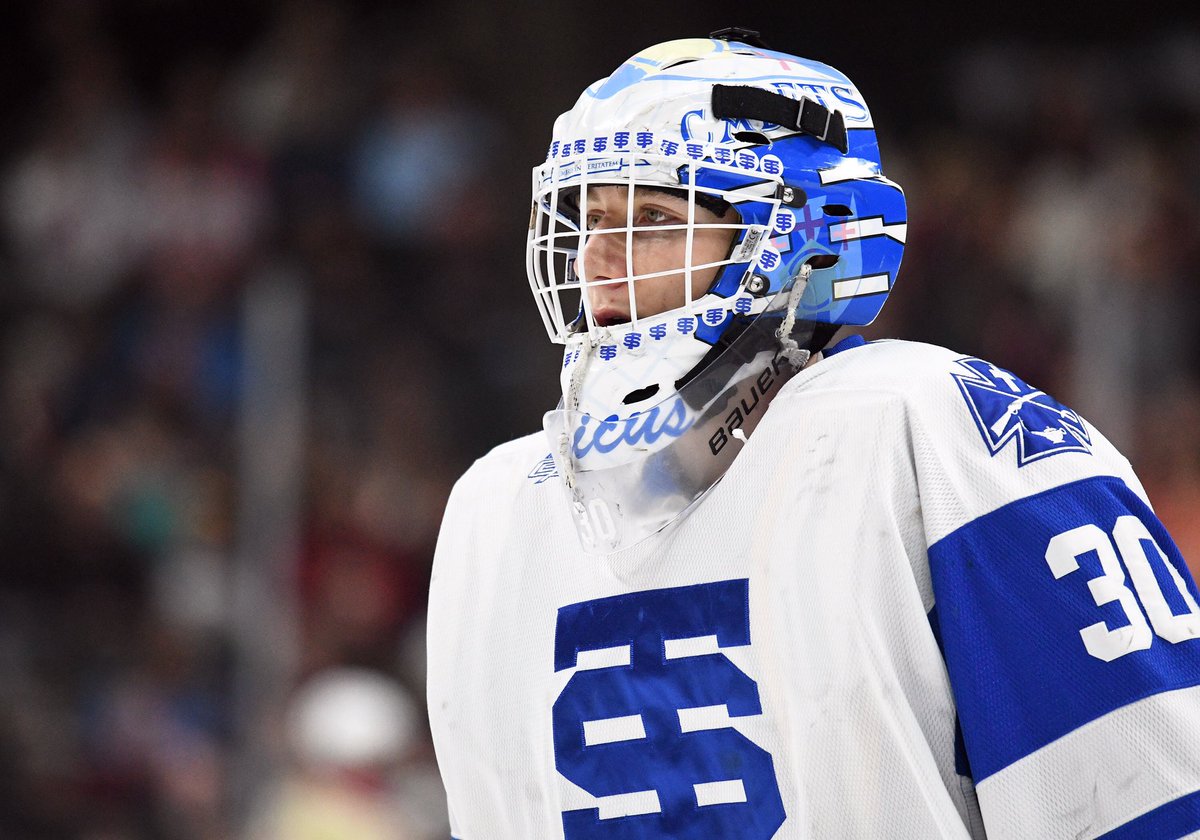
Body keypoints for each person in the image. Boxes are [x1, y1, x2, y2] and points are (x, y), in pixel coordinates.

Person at [426, 29, 1200, 840]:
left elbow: (1142, 793)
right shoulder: (499, 510)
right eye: (591, 218)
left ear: (796, 237)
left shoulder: (921, 427)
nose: (599, 261)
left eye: (654, 215)